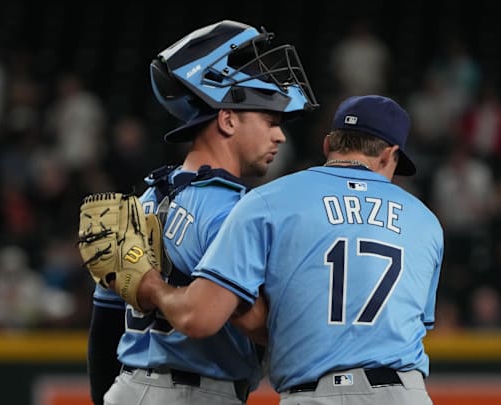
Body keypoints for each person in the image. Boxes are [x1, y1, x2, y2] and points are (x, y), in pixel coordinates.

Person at [136, 95, 444, 405]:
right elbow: (414, 325)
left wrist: (151, 285)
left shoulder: (267, 201)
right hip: (404, 393)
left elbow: (202, 317)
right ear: (389, 155)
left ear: (328, 145)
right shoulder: (426, 222)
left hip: (312, 395)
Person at [86, 20, 318, 405]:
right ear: (227, 119)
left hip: (127, 390)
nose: (279, 135)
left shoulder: (141, 201)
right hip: (197, 393)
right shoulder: (234, 210)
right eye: (270, 121)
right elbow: (271, 328)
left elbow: (104, 329)